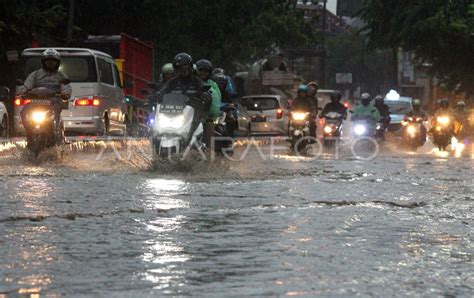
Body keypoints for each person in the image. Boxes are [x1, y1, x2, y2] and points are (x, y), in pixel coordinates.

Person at [158, 53, 212, 143]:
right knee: (156, 126)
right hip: (175, 111)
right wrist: (156, 95)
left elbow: (204, 89)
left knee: (206, 124)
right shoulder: (173, 82)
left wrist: (205, 95)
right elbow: (163, 90)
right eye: (179, 68)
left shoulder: (196, 81)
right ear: (175, 69)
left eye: (185, 68)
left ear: (190, 67)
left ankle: (204, 146)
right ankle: (156, 142)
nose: (182, 71)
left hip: (193, 113)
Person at [19, 48, 72, 138]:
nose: (51, 63)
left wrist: (65, 93)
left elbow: (66, 87)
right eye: (48, 61)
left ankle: (56, 131)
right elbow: (27, 85)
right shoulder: (35, 74)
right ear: (43, 62)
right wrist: (23, 91)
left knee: (56, 110)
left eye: (53, 61)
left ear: (57, 62)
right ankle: (29, 132)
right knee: (23, 111)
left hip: (54, 101)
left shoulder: (61, 75)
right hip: (36, 102)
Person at [196, 59, 222, 146]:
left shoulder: (213, 85)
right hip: (187, 113)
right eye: (201, 70)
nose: (203, 72)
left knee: (209, 125)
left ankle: (209, 152)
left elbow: (217, 100)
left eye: (206, 71)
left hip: (205, 115)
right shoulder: (190, 81)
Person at [213, 72, 238, 137]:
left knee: (232, 119)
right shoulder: (211, 91)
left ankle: (230, 136)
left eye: (222, 83)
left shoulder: (225, 92)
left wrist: (231, 105)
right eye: (218, 83)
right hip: (211, 113)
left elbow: (231, 102)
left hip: (222, 113)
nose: (220, 85)